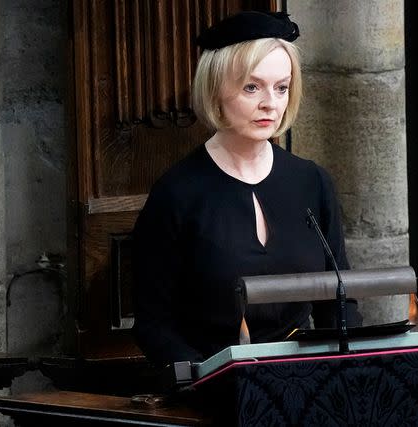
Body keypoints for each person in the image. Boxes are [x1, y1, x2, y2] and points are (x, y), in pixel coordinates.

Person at [132, 11, 360, 366]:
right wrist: (206, 380)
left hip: (307, 378)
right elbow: (153, 325)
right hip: (215, 387)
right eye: (251, 87)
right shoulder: (177, 194)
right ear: (215, 88)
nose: (271, 103)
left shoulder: (313, 182)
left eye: (281, 87)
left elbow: (340, 304)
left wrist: (348, 373)